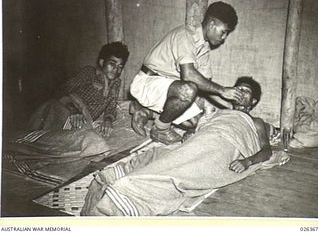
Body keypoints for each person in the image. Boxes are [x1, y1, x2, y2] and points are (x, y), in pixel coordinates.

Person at [81, 76, 282, 216]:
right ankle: (125, 180)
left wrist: (247, 162)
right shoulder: (218, 113)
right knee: (165, 156)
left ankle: (130, 191)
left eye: (245, 91)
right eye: (238, 89)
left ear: (253, 101)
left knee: (186, 171)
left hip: (226, 145)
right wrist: (190, 133)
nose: (240, 92)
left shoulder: (255, 122)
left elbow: (266, 151)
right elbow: (198, 129)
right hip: (204, 139)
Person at [130, 1, 243, 145]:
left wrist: (232, 109)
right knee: (188, 90)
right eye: (223, 32)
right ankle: (160, 129)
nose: (224, 38)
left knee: (194, 123)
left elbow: (206, 86)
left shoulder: (203, 49)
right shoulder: (185, 35)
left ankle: (145, 111)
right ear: (212, 24)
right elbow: (188, 75)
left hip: (167, 88)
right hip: (147, 83)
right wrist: (222, 90)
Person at [27, 42, 129, 137]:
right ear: (102, 62)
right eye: (112, 63)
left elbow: (111, 106)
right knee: (45, 139)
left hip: (82, 121)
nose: (116, 69)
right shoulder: (89, 73)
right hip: (63, 112)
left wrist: (108, 120)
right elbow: (61, 90)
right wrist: (73, 109)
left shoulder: (116, 83)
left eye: (120, 66)